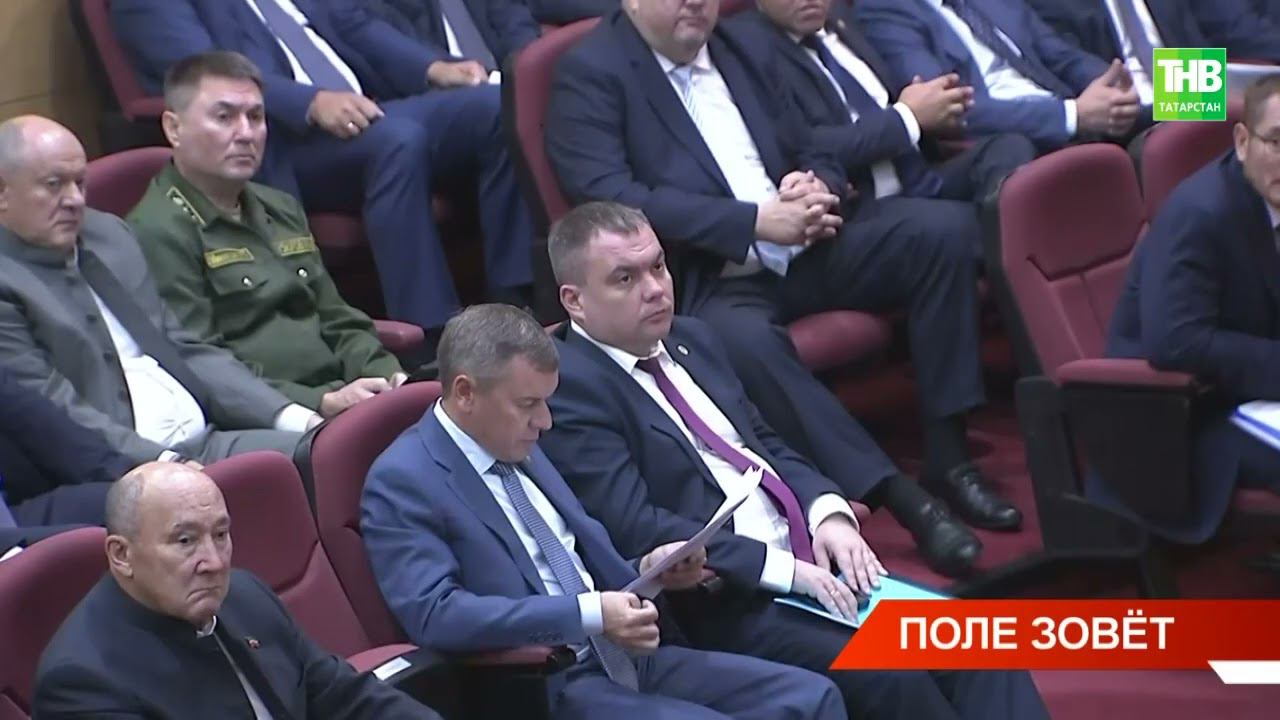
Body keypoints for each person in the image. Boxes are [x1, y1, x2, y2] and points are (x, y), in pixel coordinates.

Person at [545, 0, 1019, 577]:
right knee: (739, 340)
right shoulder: (591, 71)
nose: (696, 2)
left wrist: (816, 185)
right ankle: (903, 499)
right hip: (714, 272)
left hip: (807, 244)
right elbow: (609, 195)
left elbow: (814, 142)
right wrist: (752, 221)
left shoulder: (741, 43)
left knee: (939, 232)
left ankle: (951, 456)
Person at [540, 202, 1050, 720]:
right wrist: (783, 571)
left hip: (810, 567)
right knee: (895, 677)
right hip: (729, 601)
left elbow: (764, 443)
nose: (654, 288)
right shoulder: (568, 389)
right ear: (575, 300)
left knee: (978, 643)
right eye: (625, 278)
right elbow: (638, 526)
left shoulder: (694, 339)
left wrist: (826, 512)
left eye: (657, 266)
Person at [362, 303, 846, 720]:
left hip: (630, 650)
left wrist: (650, 569)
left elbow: (578, 557)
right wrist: (590, 613)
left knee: (812, 697)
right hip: (550, 681)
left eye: (546, 402)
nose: (544, 421)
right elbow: (437, 614)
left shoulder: (515, 437)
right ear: (465, 393)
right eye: (528, 404)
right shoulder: (403, 480)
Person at [111, 0, 536, 343]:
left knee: (495, 106)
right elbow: (205, 78)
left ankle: (519, 300)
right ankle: (431, 332)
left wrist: (431, 68)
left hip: (370, 111)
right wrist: (311, 103)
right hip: (284, 141)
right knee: (397, 141)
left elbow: (353, 23)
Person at [0, 116, 314, 467]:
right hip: (128, 468)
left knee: (328, 450)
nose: (75, 199)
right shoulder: (8, 283)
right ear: (2, 193)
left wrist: (295, 418)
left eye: (80, 183)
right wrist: (169, 467)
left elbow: (181, 345)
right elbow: (53, 410)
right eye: (54, 185)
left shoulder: (109, 235)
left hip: (208, 439)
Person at [33, 462, 440, 718]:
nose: (213, 561)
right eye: (185, 541)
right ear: (122, 555)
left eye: (221, 534)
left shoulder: (244, 595)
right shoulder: (81, 683)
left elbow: (344, 695)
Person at [130, 51, 408, 419]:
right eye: (224, 117)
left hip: (346, 396)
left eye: (255, 117)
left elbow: (337, 317)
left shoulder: (280, 207)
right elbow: (201, 364)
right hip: (275, 418)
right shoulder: (157, 229)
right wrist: (321, 401)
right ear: (174, 128)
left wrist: (385, 374)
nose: (246, 133)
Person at [1105, 75, 1280, 544]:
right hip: (1187, 417)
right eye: (1277, 142)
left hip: (1252, 392)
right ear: (1242, 142)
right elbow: (1177, 343)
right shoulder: (1200, 214)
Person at [726, 0, 1036, 215]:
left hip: (922, 177)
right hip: (867, 203)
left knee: (1010, 149)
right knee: (951, 227)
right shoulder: (750, 48)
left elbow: (895, 102)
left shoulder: (840, 23)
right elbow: (805, 146)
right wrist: (908, 118)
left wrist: (937, 107)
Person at [856, 0, 1144, 151]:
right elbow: (946, 108)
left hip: (1145, 82)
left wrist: (1114, 87)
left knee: (1174, 107)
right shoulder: (887, 10)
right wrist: (1075, 113)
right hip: (1031, 124)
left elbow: (1061, 55)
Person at [0, 364, 135, 555]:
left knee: (137, 505)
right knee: (87, 543)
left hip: (13, 513)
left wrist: (131, 476)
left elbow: (34, 418)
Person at [1024, 0, 1280, 96]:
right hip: (1135, 105)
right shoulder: (1053, 5)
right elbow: (1080, 70)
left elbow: (1229, 27)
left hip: (1193, 78)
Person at [366, 0, 542, 67]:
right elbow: (410, 50)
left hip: (506, 74)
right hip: (449, 88)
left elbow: (511, 17)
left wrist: (526, 62)